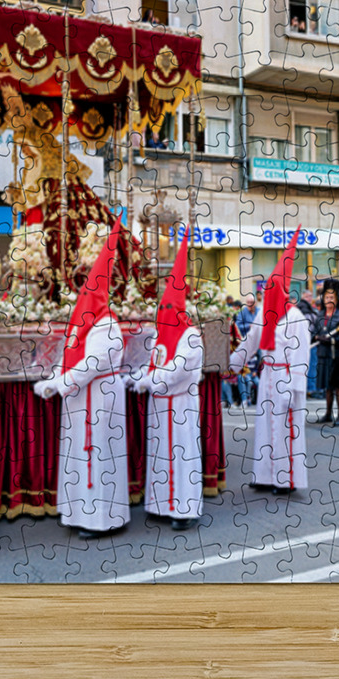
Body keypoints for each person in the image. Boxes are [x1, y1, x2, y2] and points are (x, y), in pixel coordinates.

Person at [35, 218, 129, 539]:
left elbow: (93, 362)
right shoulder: (81, 324)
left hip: (99, 398)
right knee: (77, 456)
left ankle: (101, 519)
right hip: (79, 400)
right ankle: (77, 512)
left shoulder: (106, 326)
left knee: (98, 454)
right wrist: (54, 376)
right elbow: (69, 355)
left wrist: (59, 383)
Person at [130, 226, 203, 531]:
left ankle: (184, 509)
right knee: (160, 454)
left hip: (181, 405)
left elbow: (180, 368)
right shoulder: (161, 336)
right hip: (160, 406)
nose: (165, 312)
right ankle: (161, 503)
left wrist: (151, 380)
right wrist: (137, 377)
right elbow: (152, 362)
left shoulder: (190, 335)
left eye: (170, 307)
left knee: (182, 455)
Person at [228, 228, 310, 494]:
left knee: (285, 430)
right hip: (267, 377)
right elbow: (251, 341)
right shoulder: (264, 313)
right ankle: (264, 475)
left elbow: (301, 358)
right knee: (265, 428)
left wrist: (293, 387)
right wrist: (229, 364)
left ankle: (284, 479)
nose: (267, 293)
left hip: (285, 379)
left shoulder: (296, 318)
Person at [312, 279, 339, 426]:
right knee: (328, 386)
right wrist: (314, 337)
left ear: (336, 299)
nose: (328, 300)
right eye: (326, 297)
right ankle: (328, 413)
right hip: (323, 355)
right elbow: (314, 332)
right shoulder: (320, 315)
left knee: (338, 386)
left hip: (337, 356)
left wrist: (332, 340)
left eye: (331, 297)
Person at [234, 292, 259, 406]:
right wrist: (248, 326)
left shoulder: (259, 311)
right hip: (247, 342)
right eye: (248, 303)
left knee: (262, 359)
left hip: (258, 342)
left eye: (251, 303)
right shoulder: (242, 313)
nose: (250, 304)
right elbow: (237, 326)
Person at [297, 289, 322, 401]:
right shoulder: (304, 308)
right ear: (303, 296)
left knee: (310, 365)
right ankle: (311, 389)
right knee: (312, 365)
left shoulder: (302, 308)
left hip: (306, 341)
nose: (310, 298)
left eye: (311, 296)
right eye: (308, 296)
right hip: (309, 342)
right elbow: (309, 326)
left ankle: (310, 388)